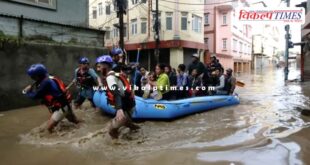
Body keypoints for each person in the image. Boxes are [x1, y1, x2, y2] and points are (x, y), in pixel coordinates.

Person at [22, 64, 80, 133]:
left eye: (33, 76)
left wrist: (26, 92)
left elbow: (35, 96)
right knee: (75, 121)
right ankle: (84, 127)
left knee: (49, 128)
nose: (32, 78)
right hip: (66, 103)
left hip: (62, 106)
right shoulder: (49, 77)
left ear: (38, 75)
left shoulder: (46, 83)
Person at [96, 55, 140, 139]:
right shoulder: (114, 74)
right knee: (128, 123)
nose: (98, 69)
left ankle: (117, 145)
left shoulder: (110, 78)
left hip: (125, 107)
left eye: (99, 66)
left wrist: (119, 109)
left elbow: (116, 92)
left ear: (106, 66)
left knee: (111, 130)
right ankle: (137, 130)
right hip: (129, 105)